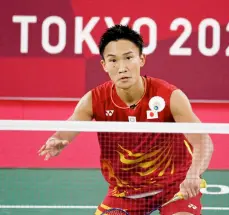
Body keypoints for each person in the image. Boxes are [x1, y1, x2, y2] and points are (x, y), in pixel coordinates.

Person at [38, 24, 214, 215]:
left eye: (129, 58)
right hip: (125, 193)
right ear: (104, 65)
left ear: (141, 59)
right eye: (113, 60)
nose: (122, 68)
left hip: (176, 185)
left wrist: (193, 174)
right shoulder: (94, 100)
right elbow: (66, 131)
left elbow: (203, 142)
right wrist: (56, 140)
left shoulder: (169, 96)